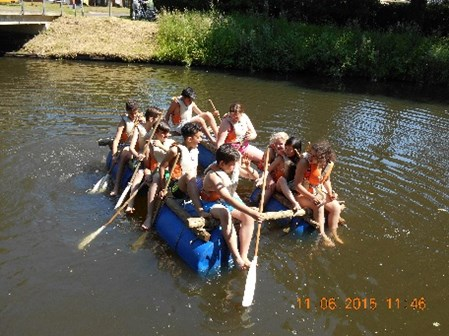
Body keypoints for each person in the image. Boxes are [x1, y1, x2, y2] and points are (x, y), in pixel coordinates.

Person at [200, 144, 263, 270]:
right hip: (212, 202)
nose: (235, 167)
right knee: (225, 214)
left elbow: (255, 177)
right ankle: (236, 257)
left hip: (226, 201)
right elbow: (227, 197)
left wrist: (248, 168)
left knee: (248, 218)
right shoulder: (213, 175)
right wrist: (251, 211)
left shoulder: (229, 167)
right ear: (222, 163)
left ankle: (244, 256)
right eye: (232, 164)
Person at [292, 140, 343, 247]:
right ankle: (323, 234)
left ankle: (334, 234)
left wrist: (330, 192)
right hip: (301, 194)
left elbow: (326, 180)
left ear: (323, 158)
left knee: (336, 207)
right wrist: (311, 197)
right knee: (318, 205)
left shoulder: (327, 164)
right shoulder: (304, 163)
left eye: (315, 156)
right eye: (310, 154)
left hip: (317, 191)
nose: (311, 157)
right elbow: (297, 185)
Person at [156, 122, 209, 220]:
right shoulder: (175, 150)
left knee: (210, 177)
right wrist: (164, 189)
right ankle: (200, 211)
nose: (200, 140)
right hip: (176, 188)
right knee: (188, 176)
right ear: (189, 139)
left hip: (192, 183)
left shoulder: (195, 150)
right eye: (198, 137)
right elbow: (162, 167)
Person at [125, 107, 166, 214]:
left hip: (152, 162)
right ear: (152, 119)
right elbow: (131, 148)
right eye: (158, 118)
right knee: (139, 173)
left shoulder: (157, 130)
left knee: (147, 170)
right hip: (140, 158)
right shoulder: (139, 129)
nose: (160, 120)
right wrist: (138, 155)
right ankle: (130, 204)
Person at [110, 99, 145, 197]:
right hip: (127, 146)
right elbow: (116, 140)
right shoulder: (123, 122)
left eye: (135, 113)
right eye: (131, 113)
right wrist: (114, 155)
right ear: (127, 112)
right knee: (126, 152)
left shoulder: (143, 119)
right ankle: (116, 187)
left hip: (140, 147)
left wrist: (144, 123)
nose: (134, 115)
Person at [257, 131, 290, 205]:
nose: (278, 146)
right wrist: (269, 179)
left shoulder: (288, 151)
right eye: (276, 144)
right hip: (264, 171)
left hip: (275, 171)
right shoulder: (271, 151)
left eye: (281, 144)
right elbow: (265, 168)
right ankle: (261, 205)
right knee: (271, 186)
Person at [274, 136, 302, 211]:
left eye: (290, 149)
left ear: (296, 150)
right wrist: (284, 157)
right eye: (286, 148)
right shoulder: (281, 157)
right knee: (282, 180)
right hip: (281, 185)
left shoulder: (301, 160)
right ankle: (294, 203)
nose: (287, 151)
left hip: (293, 185)